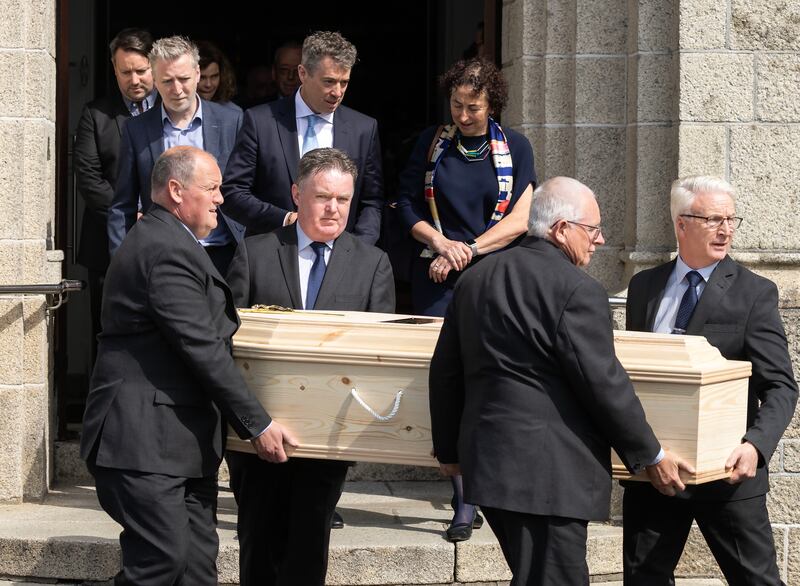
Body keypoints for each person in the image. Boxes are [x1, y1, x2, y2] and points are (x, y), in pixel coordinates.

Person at [429, 176, 691, 585]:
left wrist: (449, 451)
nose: (600, 240)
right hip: (549, 476)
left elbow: (445, 372)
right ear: (561, 229)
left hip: (490, 466)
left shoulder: (476, 278)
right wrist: (651, 454)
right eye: (592, 229)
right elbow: (603, 383)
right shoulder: (577, 290)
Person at [80, 146, 297, 586]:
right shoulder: (164, 249)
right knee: (162, 564)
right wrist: (257, 424)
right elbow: (201, 347)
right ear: (176, 191)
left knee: (197, 570)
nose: (221, 198)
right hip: (142, 441)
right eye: (212, 188)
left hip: (180, 445)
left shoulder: (173, 241)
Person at [226, 147, 395, 586]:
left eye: (343, 199)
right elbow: (227, 345)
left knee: (307, 555)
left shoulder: (372, 264)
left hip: (327, 443)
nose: (333, 208)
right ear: (297, 194)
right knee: (258, 554)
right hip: (259, 439)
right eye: (323, 197)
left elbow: (381, 354)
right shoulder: (255, 253)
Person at [623, 176, 799, 585]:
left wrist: (756, 446)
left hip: (728, 474)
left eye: (731, 219)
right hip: (657, 474)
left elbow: (781, 386)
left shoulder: (755, 293)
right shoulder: (644, 287)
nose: (726, 230)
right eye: (713, 219)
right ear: (681, 224)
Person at [394, 57, 536, 541]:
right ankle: (461, 498)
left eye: (473, 107)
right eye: (456, 105)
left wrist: (467, 251)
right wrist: (439, 244)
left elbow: (520, 219)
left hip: (491, 273)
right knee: (447, 384)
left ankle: (484, 486)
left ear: (491, 103)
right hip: (437, 273)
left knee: (487, 381)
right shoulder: (431, 143)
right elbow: (407, 204)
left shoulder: (515, 147)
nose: (463, 115)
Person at [222, 30, 384, 245]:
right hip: (274, 251)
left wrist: (357, 250)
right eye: (328, 82)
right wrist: (287, 220)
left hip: (340, 258)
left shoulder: (363, 128)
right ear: (303, 73)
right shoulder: (261, 121)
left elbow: (371, 202)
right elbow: (233, 193)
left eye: (344, 82)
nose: (337, 92)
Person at [107, 35, 245, 274]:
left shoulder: (231, 120)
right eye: (167, 81)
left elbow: (247, 188)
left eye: (184, 79)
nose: (177, 89)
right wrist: (122, 265)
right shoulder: (137, 129)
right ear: (155, 80)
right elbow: (123, 206)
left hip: (224, 254)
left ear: (198, 74)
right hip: (162, 257)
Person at [73, 28, 156, 362]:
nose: (133, 80)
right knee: (108, 333)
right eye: (125, 72)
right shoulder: (97, 114)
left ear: (154, 66)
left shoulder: (171, 111)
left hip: (165, 239)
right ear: (114, 69)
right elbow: (89, 177)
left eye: (140, 70)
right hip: (109, 242)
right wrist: (129, 214)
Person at [197, 40, 241, 113]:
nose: (208, 84)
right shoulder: (174, 113)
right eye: (202, 77)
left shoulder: (233, 114)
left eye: (214, 76)